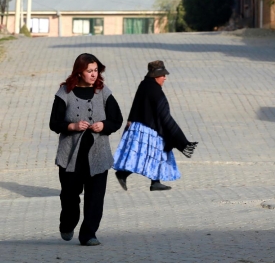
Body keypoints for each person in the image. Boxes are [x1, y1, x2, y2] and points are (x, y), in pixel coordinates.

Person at [49, 53, 123, 246]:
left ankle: (89, 234)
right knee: (69, 197)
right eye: (89, 71)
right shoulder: (64, 92)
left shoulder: (103, 92)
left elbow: (117, 120)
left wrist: (104, 125)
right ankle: (68, 223)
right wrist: (71, 126)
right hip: (71, 157)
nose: (93, 74)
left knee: (95, 198)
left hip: (98, 156)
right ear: (79, 72)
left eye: (96, 70)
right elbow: (54, 122)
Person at [113, 60, 198, 191]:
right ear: (156, 75)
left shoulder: (144, 84)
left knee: (153, 154)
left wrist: (130, 119)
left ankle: (154, 182)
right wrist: (178, 136)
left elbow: (136, 103)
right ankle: (123, 174)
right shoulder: (155, 90)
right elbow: (164, 115)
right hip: (148, 128)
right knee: (147, 154)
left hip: (140, 124)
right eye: (163, 75)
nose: (165, 78)